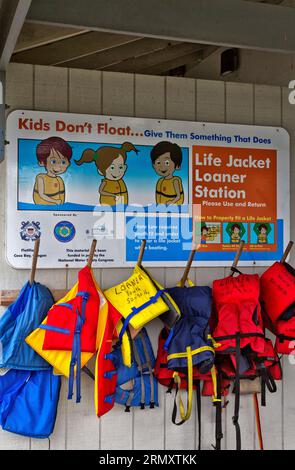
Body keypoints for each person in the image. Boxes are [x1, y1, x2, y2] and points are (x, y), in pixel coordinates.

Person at [33, 137, 72, 205]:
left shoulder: (59, 180)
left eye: (63, 162)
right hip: (42, 204)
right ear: (41, 162)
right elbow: (41, 195)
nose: (58, 167)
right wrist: (55, 201)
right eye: (53, 161)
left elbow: (61, 196)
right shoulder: (40, 178)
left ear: (68, 163)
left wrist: (60, 205)